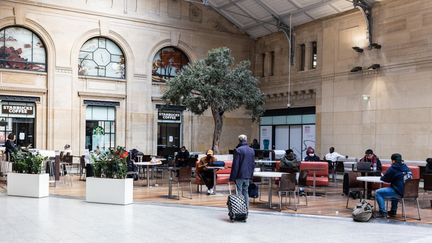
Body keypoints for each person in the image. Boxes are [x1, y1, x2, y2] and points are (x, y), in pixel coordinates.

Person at [375, 153, 412, 218]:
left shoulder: (393, 168)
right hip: (408, 192)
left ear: (393, 161)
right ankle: (393, 211)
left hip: (399, 192)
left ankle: (382, 212)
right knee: (395, 188)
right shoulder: (406, 167)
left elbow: (386, 179)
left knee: (378, 192)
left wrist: (382, 176)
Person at [230, 134, 255, 208]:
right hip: (247, 175)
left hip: (239, 175)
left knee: (239, 191)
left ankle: (240, 209)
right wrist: (251, 175)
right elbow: (252, 164)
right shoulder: (251, 150)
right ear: (246, 140)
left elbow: (236, 165)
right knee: (246, 191)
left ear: (239, 140)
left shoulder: (238, 150)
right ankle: (246, 208)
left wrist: (232, 177)